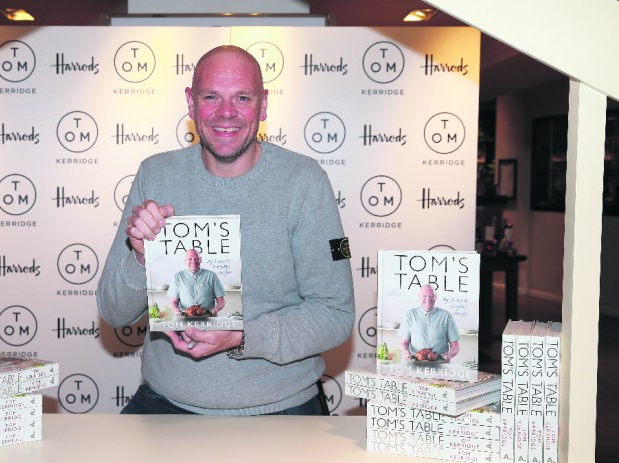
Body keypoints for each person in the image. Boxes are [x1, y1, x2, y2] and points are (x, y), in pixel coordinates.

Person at [96, 45, 355, 416]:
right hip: (164, 402)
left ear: (263, 106)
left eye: (243, 97)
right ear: (191, 103)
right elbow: (114, 312)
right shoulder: (156, 174)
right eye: (211, 96)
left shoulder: (306, 182)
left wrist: (242, 336)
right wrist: (140, 257)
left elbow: (336, 314)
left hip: (281, 408)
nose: (226, 113)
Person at [399, 284, 461, 362]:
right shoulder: (410, 314)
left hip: (440, 363)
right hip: (415, 363)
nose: (428, 299)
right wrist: (406, 351)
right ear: (419, 297)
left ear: (436, 297)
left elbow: (455, 345)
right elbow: (404, 342)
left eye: (431, 296)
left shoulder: (446, 316)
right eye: (424, 296)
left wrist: (449, 355)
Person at [168, 249, 226, 317]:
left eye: (196, 259)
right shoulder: (177, 277)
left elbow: (221, 301)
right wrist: (176, 309)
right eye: (190, 259)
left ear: (200, 259)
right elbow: (174, 301)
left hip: (208, 318)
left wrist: (216, 309)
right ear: (185, 261)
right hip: (185, 318)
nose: (193, 261)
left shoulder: (212, 276)